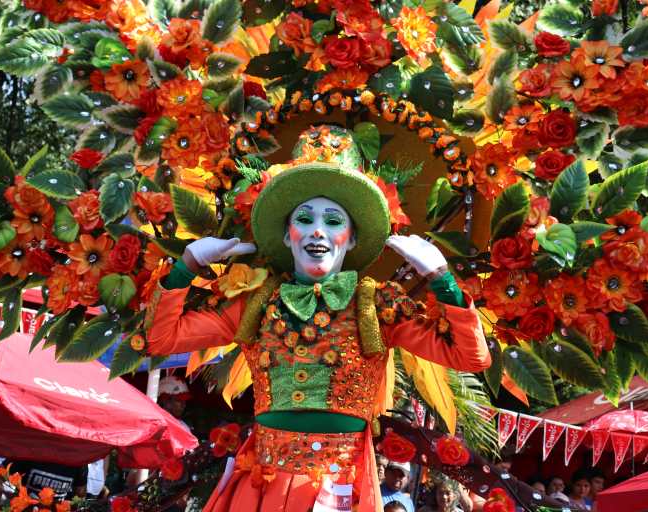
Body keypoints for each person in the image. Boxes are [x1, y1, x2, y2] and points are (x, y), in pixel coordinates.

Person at [145, 125, 490, 511]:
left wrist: (442, 280)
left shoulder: (377, 305)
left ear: (353, 238)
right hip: (261, 488)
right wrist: (185, 266)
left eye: (334, 221)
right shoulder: (255, 302)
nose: (317, 232)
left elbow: (470, 356)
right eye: (305, 219)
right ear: (287, 235)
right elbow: (161, 339)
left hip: (342, 489)